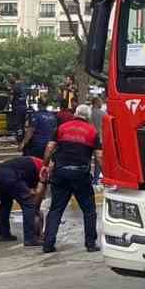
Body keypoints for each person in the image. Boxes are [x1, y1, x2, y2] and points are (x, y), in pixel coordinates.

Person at [41, 104, 102, 253]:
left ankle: (48, 244)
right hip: (81, 175)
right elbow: (99, 156)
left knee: (56, 209)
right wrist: (104, 174)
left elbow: (50, 147)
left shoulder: (62, 127)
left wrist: (45, 165)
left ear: (75, 113)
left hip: (60, 173)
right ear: (87, 117)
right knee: (89, 210)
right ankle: (90, 244)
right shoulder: (92, 131)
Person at [0, 153, 46, 247]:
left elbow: (35, 191)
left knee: (5, 204)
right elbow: (38, 193)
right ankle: (30, 239)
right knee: (29, 205)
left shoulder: (37, 164)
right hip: (11, 175)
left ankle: (4, 234)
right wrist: (36, 209)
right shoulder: (45, 170)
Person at [9, 75, 28, 142]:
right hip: (24, 106)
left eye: (11, 77)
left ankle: (18, 139)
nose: (10, 79)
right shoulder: (24, 86)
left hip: (17, 107)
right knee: (22, 124)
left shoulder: (14, 86)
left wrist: (9, 104)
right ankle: (22, 138)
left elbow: (11, 98)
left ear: (14, 77)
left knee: (17, 124)